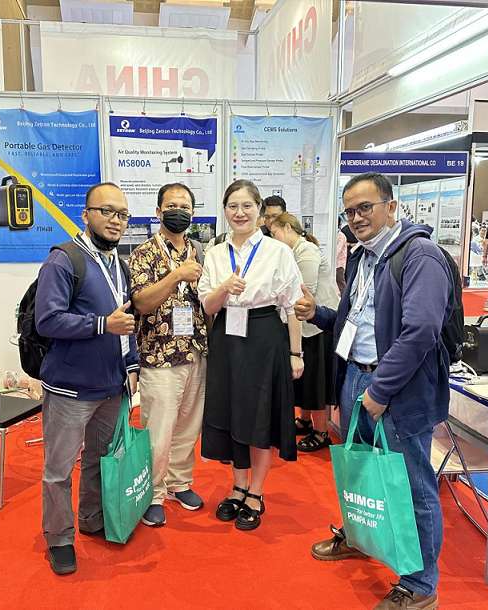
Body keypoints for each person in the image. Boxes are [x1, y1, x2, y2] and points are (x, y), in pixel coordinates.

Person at [295, 171, 453, 610]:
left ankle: (420, 585)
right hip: (356, 378)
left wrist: (380, 391)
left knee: (413, 485)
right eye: (349, 211)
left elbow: (420, 331)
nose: (357, 217)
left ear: (391, 206)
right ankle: (361, 536)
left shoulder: (419, 255)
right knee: (362, 470)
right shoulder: (364, 256)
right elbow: (358, 323)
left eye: (365, 207)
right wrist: (318, 313)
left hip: (397, 388)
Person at [35, 182, 140, 575]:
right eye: (106, 211)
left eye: (122, 214)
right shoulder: (63, 260)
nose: (116, 220)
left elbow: (126, 322)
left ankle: (92, 518)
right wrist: (101, 324)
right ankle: (59, 538)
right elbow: (48, 320)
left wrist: (132, 365)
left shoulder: (118, 264)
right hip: (70, 389)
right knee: (59, 470)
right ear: (86, 215)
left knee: (99, 460)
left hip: (112, 386)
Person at [198, 179, 304, 531]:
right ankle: (238, 486)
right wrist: (224, 288)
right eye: (233, 206)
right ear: (224, 211)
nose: (239, 213)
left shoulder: (278, 251)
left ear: (259, 209)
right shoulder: (215, 253)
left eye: (247, 206)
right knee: (231, 414)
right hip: (226, 337)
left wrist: (296, 353)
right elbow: (208, 306)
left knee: (260, 415)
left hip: (264, 336)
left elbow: (292, 307)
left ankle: (256, 492)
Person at [128, 183, 208, 527]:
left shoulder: (200, 250)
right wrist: (177, 275)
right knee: (158, 432)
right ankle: (153, 492)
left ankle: (179, 482)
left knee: (189, 427)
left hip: (196, 351)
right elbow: (141, 303)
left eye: (185, 207)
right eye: (172, 206)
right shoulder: (143, 253)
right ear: (158, 212)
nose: (179, 212)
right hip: (159, 355)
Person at [270, 213, 340, 451]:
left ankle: (321, 432)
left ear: (288, 228)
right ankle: (305, 420)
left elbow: (303, 291)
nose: (274, 239)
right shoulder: (294, 251)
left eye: (275, 234)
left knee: (314, 381)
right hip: (306, 326)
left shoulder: (307, 250)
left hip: (318, 326)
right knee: (305, 378)